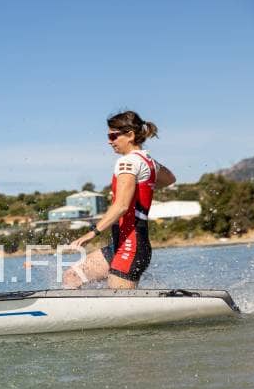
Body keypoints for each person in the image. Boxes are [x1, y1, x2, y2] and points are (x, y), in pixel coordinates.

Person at [63, 110, 177, 289]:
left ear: (130, 135)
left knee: (117, 300)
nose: (109, 141)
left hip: (131, 247)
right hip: (119, 244)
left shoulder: (128, 162)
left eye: (113, 136)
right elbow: (170, 179)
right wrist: (143, 184)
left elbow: (122, 206)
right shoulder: (147, 161)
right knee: (72, 277)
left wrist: (92, 233)